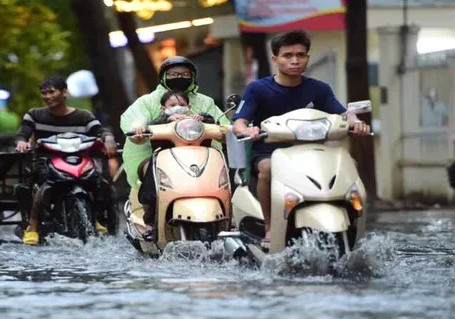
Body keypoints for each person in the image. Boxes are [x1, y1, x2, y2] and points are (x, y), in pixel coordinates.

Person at [231, 30, 372, 249]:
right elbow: (239, 121)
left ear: (307, 57)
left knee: (349, 165)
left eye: (301, 55)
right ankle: (270, 226)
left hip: (313, 153)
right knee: (267, 169)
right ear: (275, 59)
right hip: (270, 152)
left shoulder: (319, 89)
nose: (295, 60)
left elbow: (343, 114)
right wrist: (247, 130)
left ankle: (354, 227)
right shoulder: (258, 89)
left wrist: (355, 122)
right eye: (288, 55)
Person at [120, 56, 229, 236]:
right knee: (152, 174)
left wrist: (221, 126)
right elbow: (137, 118)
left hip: (200, 156)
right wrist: (139, 127)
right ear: (163, 77)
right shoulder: (147, 101)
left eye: (185, 74)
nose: (180, 77)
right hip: (158, 156)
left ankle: (228, 218)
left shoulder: (205, 102)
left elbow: (221, 122)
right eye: (173, 74)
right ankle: (151, 220)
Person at [15, 77, 118, 245]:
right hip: (46, 162)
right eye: (44, 93)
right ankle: (32, 227)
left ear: (64, 93)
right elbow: (22, 134)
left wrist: (108, 139)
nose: (47, 96)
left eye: (52, 92)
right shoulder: (34, 114)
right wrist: (21, 142)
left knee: (100, 182)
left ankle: (96, 216)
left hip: (80, 160)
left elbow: (100, 130)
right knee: (45, 186)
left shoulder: (83, 116)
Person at [132, 90, 216, 238]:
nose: (178, 107)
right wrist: (167, 119)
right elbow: (150, 126)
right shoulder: (158, 123)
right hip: (167, 165)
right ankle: (150, 221)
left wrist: (203, 119)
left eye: (182, 104)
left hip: (196, 163)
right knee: (151, 177)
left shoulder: (198, 122)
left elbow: (214, 123)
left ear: (189, 108)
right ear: (163, 109)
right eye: (172, 105)